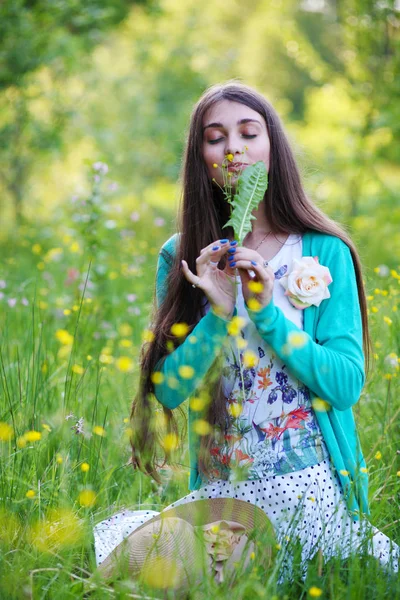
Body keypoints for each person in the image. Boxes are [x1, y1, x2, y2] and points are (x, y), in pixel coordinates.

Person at [94, 82, 399, 580]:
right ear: (201, 158)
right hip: (223, 497)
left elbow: (345, 385)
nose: (232, 147)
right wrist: (218, 312)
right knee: (159, 569)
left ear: (272, 147)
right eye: (215, 137)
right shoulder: (184, 255)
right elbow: (169, 391)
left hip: (310, 490)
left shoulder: (322, 251)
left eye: (248, 132)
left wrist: (267, 314)